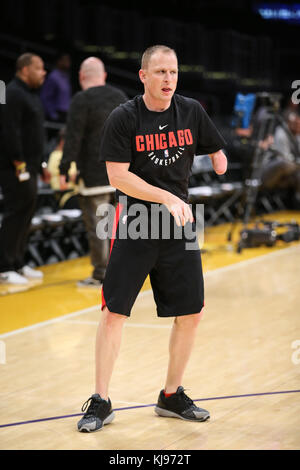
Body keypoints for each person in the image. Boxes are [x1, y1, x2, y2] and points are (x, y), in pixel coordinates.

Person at [77, 45, 227, 432]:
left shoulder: (191, 110)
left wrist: (218, 157)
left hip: (179, 225)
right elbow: (117, 176)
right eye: (160, 72)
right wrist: (166, 196)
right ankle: (101, 400)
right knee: (114, 312)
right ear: (143, 76)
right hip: (136, 221)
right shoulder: (124, 117)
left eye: (173, 72)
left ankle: (171, 395)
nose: (168, 79)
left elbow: (214, 145)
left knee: (191, 313)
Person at [59, 57, 128, 287]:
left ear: (81, 77)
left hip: (93, 174)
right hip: (121, 174)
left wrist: (64, 167)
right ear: (104, 75)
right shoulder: (119, 96)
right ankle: (121, 272)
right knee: (118, 226)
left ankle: (101, 274)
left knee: (98, 227)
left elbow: (73, 138)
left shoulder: (81, 99)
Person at [0, 53, 47, 285]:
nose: (43, 72)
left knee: (26, 213)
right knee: (15, 213)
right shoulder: (12, 93)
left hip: (31, 166)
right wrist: (19, 163)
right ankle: (5, 266)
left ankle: (18, 261)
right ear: (25, 69)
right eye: (39, 68)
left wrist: (40, 165)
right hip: (15, 167)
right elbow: (9, 132)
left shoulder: (29, 94)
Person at [40, 53, 72, 123]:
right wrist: (53, 114)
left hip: (65, 114)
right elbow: (46, 97)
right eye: (65, 60)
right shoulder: (53, 77)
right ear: (59, 61)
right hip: (57, 114)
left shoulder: (66, 77)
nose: (68, 62)